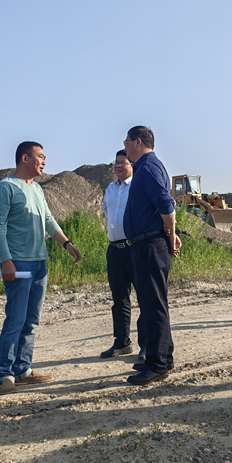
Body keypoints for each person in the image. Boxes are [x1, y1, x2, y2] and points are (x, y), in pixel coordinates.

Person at [0, 141, 82, 394]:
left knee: (31, 321)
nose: (44, 161)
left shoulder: (38, 190)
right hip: (18, 264)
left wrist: (67, 244)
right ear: (24, 158)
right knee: (16, 319)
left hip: (39, 263)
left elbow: (49, 220)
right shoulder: (6, 187)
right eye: (40, 156)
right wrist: (5, 260)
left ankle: (23, 370)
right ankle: (5, 374)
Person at [122, 126, 181, 385]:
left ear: (137, 141)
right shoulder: (147, 167)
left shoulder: (147, 167)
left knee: (153, 305)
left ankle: (157, 364)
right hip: (146, 244)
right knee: (154, 304)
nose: (124, 147)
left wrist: (171, 233)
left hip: (150, 245)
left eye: (126, 142)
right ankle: (163, 357)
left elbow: (166, 203)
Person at [100, 149, 146, 362]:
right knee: (119, 300)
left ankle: (146, 346)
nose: (118, 166)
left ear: (132, 165)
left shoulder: (138, 186)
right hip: (115, 250)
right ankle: (121, 343)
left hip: (135, 248)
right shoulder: (109, 189)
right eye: (115, 162)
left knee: (145, 299)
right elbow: (108, 214)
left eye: (123, 162)